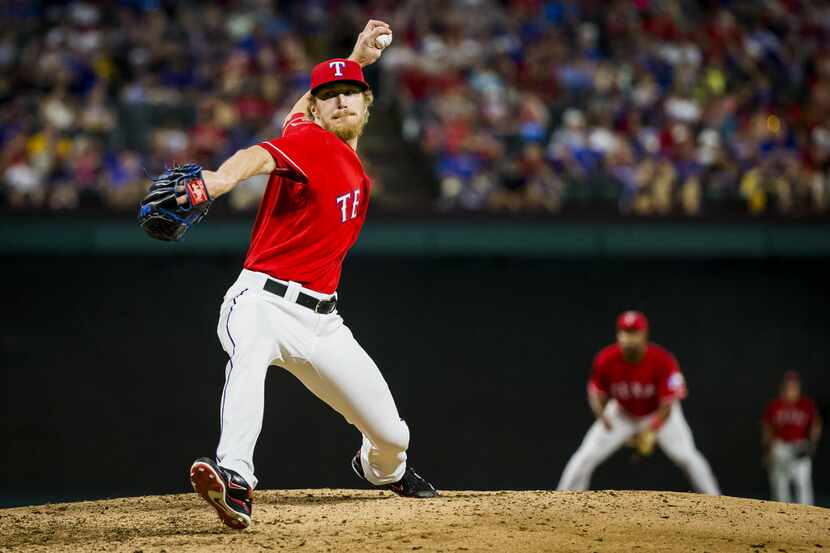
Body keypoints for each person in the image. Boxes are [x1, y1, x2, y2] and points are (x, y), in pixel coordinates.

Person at [186, 20, 437, 531]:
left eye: (351, 94)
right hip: (262, 302)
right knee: (250, 358)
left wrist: (357, 60)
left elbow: (299, 110)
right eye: (330, 96)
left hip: (324, 321)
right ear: (317, 111)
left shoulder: (340, 150)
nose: (341, 101)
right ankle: (235, 476)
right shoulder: (308, 143)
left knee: (393, 437)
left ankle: (382, 469)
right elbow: (258, 154)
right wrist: (217, 180)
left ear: (367, 105)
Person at [557, 311, 720, 495]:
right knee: (585, 456)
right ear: (618, 334)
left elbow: (668, 403)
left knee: (687, 457)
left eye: (634, 332)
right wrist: (604, 419)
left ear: (644, 334)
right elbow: (596, 394)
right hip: (622, 412)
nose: (629, 337)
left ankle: (716, 500)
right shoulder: (606, 359)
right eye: (625, 332)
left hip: (658, 413)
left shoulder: (663, 360)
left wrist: (652, 429)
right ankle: (562, 500)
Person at [762, 371, 822, 505]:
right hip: (780, 447)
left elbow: (816, 425)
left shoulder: (806, 404)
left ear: (798, 388)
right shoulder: (775, 405)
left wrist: (812, 444)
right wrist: (768, 449)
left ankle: (806, 518)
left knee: (802, 484)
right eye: (788, 386)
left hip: (799, 446)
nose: (790, 389)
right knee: (780, 486)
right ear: (783, 388)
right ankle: (782, 519)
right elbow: (767, 428)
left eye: (793, 386)